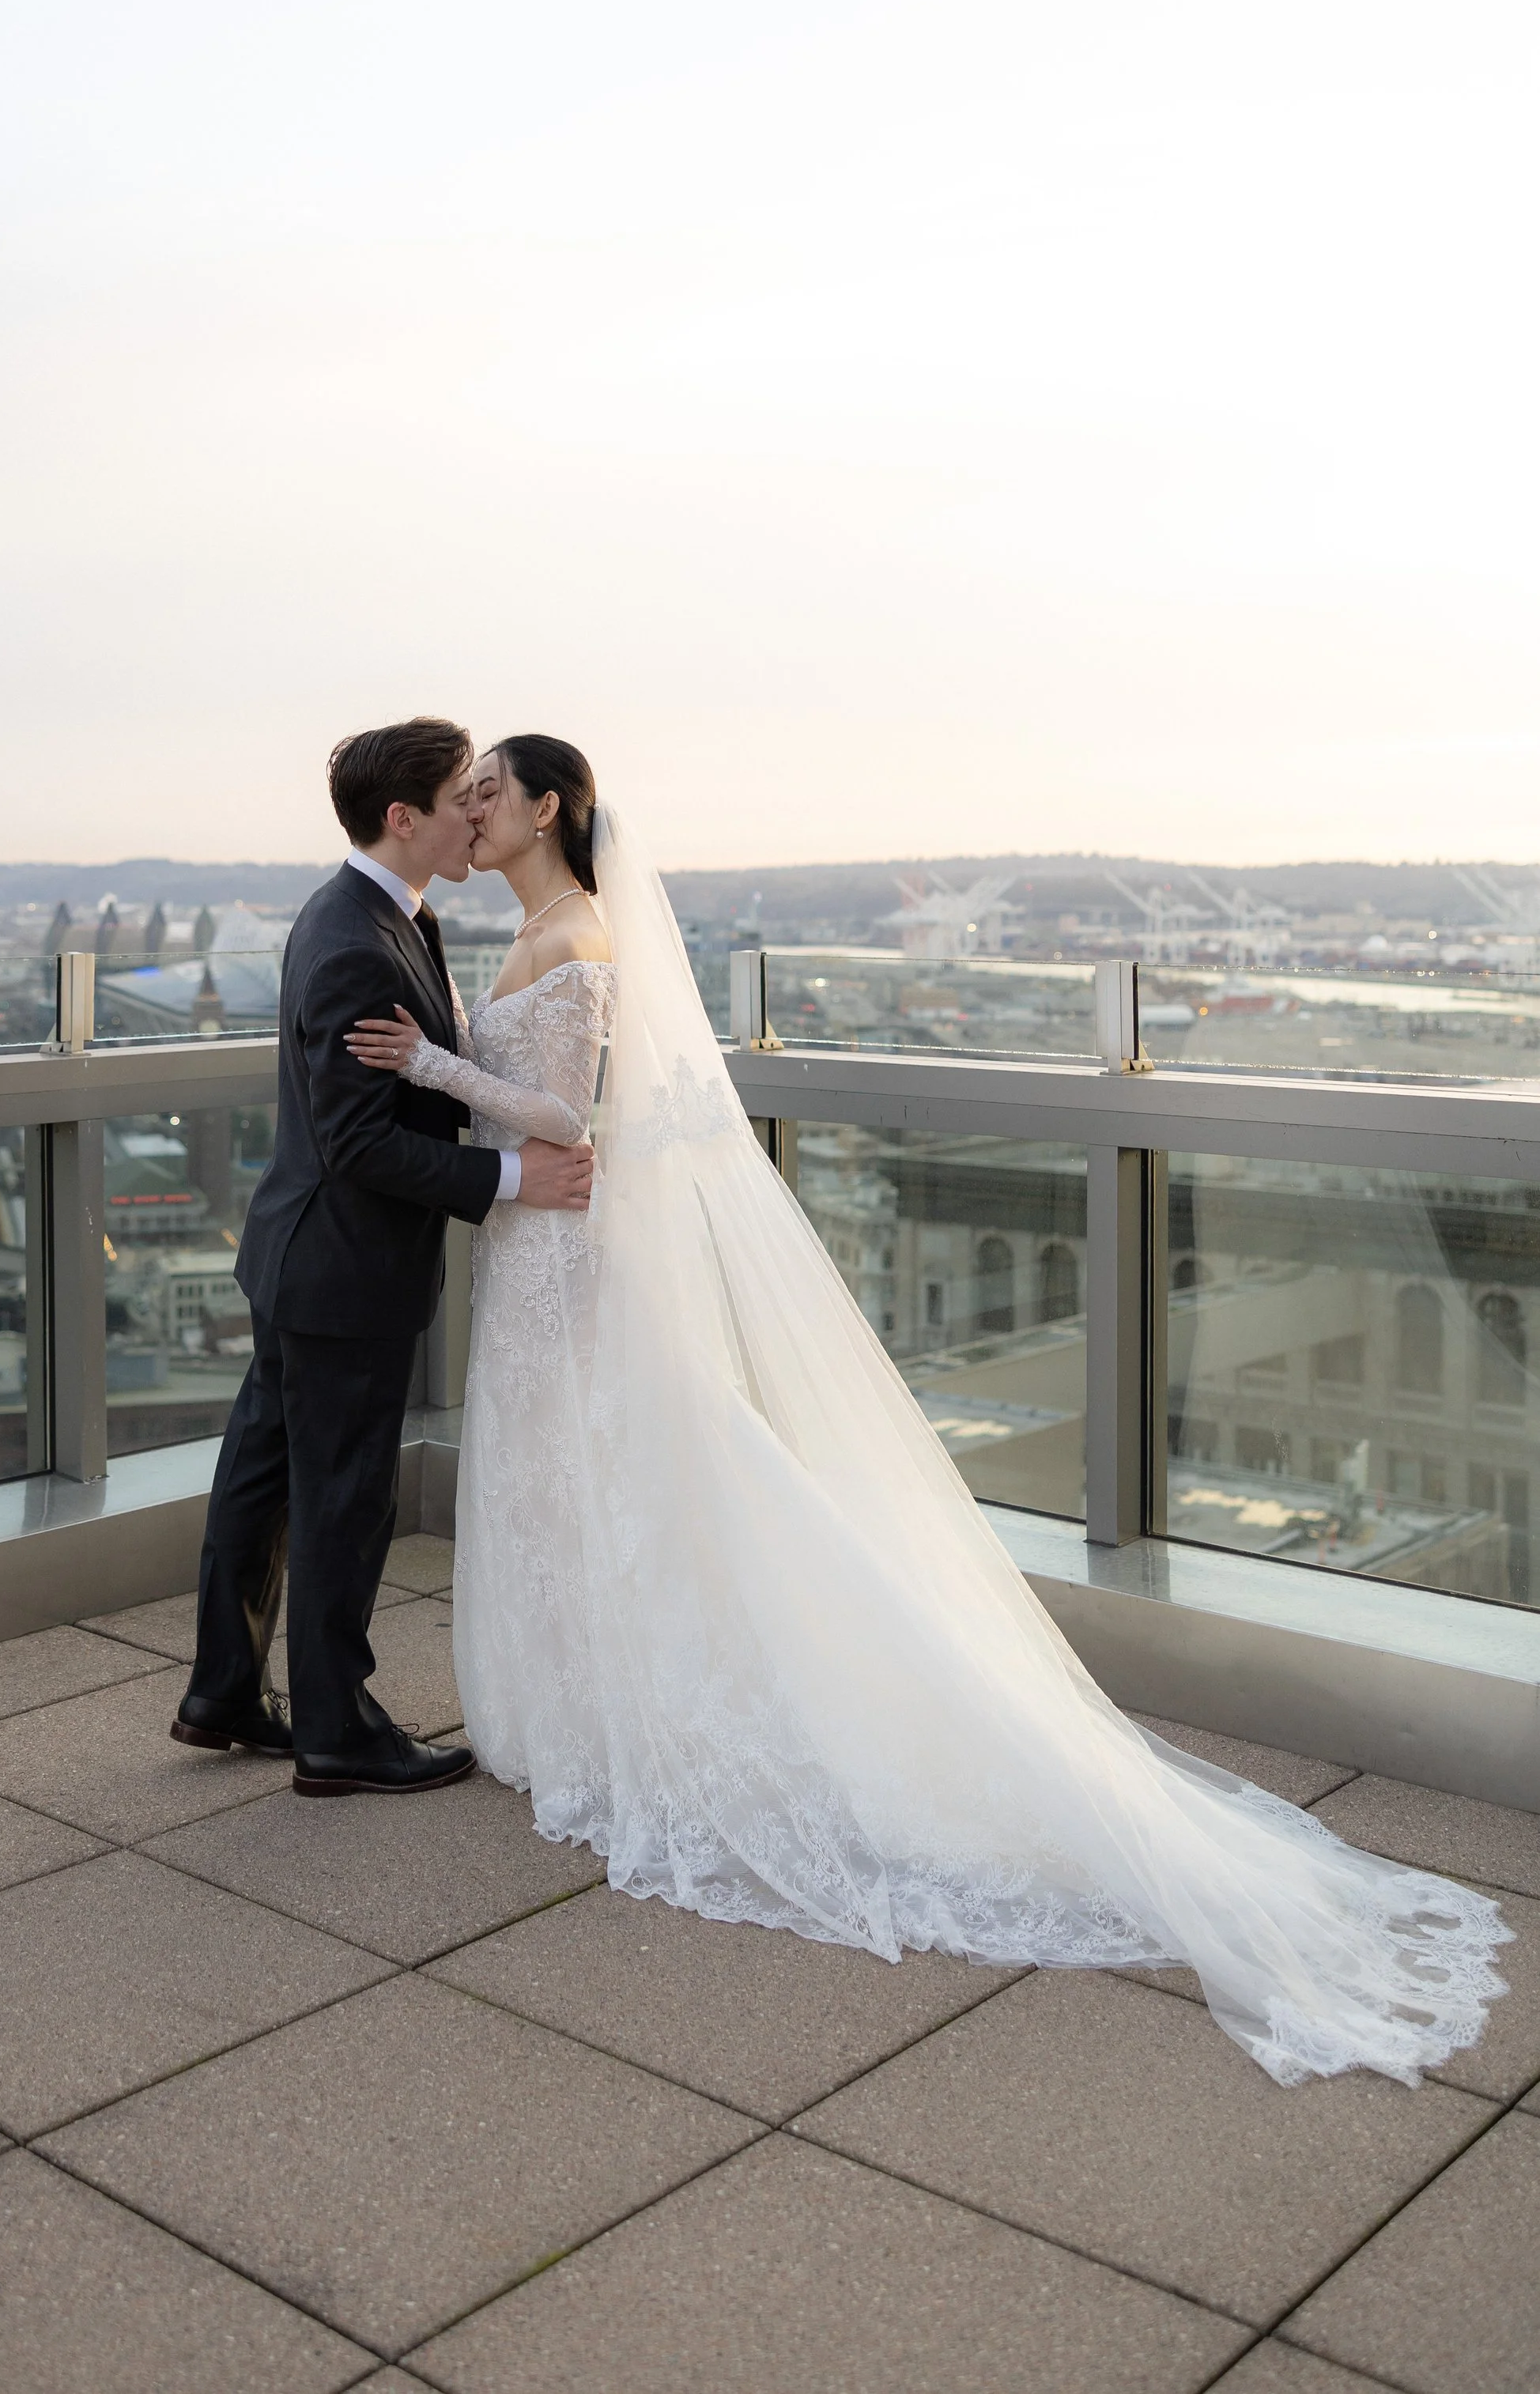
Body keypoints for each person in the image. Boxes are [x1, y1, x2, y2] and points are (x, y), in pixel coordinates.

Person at [345, 734, 1512, 2086]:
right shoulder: (537, 925)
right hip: (539, 1249)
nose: (473, 811)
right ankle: (571, 1708)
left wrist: (434, 1066)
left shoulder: (581, 934)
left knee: (612, 1479)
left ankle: (633, 1714)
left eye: (493, 791)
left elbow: (570, 1108)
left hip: (565, 1245)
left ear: (549, 807)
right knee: (566, 1484)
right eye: (463, 794)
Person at [173, 716, 592, 1795]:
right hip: (342, 1269)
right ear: (403, 817)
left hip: (302, 1256)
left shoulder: (374, 912)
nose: (475, 811)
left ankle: (223, 1689)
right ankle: (335, 1729)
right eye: (461, 795)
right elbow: (361, 1139)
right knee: (341, 1497)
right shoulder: (362, 937)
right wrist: (510, 1180)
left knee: (262, 1480)